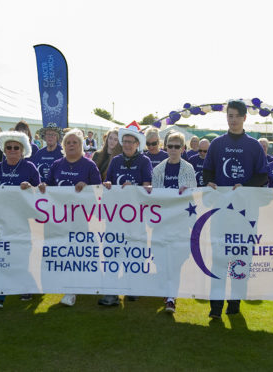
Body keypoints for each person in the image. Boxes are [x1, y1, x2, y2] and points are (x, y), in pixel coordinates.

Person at [202, 100, 268, 319]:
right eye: (229, 116)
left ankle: (234, 304)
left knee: (241, 258)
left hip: (245, 213)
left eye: (236, 116)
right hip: (221, 212)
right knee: (219, 256)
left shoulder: (254, 145)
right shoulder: (217, 144)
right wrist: (210, 181)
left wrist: (246, 187)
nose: (232, 120)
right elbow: (208, 170)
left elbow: (262, 175)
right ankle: (215, 308)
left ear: (244, 118)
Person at [38, 128, 102, 307]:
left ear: (82, 145)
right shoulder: (57, 164)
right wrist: (43, 186)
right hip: (58, 219)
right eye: (68, 142)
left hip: (80, 219)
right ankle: (60, 284)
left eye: (75, 142)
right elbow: (49, 186)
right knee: (60, 252)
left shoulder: (89, 166)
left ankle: (72, 290)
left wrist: (87, 186)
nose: (71, 145)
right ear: (63, 145)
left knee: (76, 253)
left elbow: (99, 192)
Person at [0, 131, 40, 308]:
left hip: (22, 218)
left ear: (22, 150)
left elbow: (40, 192)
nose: (12, 150)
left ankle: (27, 286)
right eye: (8, 147)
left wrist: (30, 187)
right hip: (1, 219)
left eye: (16, 147)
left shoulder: (29, 168)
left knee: (22, 253)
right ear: (4, 150)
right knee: (2, 255)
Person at [99, 121, 153, 306]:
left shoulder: (144, 161)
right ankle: (111, 293)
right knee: (113, 252)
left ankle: (133, 288)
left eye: (132, 141)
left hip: (136, 216)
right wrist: (107, 185)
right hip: (116, 215)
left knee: (134, 253)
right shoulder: (115, 161)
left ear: (137, 144)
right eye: (125, 141)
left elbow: (148, 187)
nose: (128, 144)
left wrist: (134, 188)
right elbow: (109, 182)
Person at [152, 131, 197, 313]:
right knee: (161, 261)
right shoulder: (157, 170)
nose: (173, 149)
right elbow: (155, 196)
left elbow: (194, 194)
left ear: (183, 149)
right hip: (162, 222)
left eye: (177, 146)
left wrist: (188, 190)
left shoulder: (188, 169)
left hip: (180, 222)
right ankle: (166, 291)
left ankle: (171, 297)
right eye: (170, 146)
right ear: (165, 147)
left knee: (176, 261)